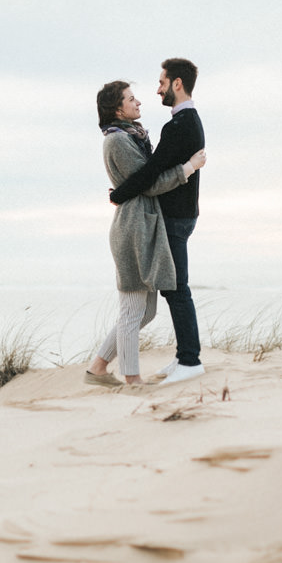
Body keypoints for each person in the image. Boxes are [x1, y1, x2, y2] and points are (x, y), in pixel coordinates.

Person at [85, 80, 206, 387]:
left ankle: (99, 366)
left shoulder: (131, 137)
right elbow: (148, 182)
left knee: (146, 311)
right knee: (133, 309)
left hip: (144, 226)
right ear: (117, 109)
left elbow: (141, 179)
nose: (138, 103)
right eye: (131, 99)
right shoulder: (117, 141)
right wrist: (188, 168)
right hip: (133, 230)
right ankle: (132, 379)